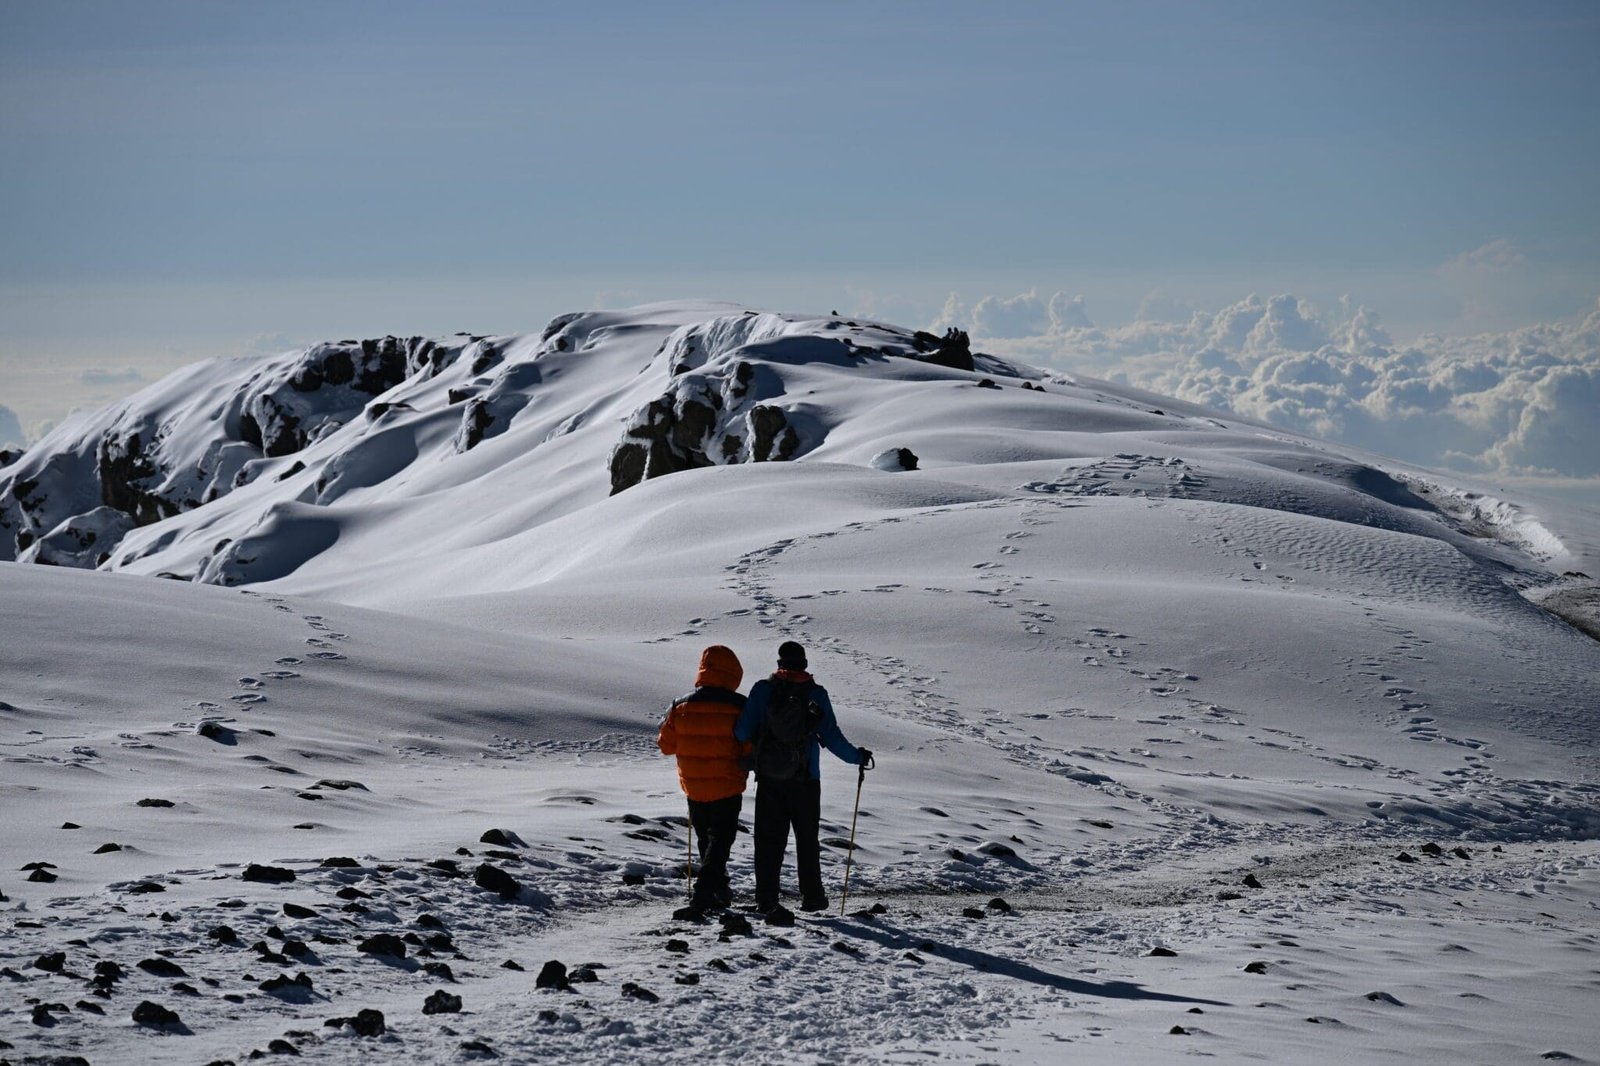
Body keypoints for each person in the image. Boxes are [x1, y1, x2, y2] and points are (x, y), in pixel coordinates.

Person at [735, 640, 872, 924]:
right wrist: (858, 757)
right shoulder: (816, 694)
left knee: (768, 842)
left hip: (770, 778)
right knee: (807, 840)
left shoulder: (763, 690)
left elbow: (742, 731)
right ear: (805, 664)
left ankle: (767, 899)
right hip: (806, 779)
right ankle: (813, 897)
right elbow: (832, 738)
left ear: (779, 663)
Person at [657, 645, 750, 912]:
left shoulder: (680, 705)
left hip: (694, 784)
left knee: (705, 839)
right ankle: (704, 892)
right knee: (721, 841)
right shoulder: (739, 706)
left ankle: (718, 890)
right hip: (727, 783)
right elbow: (749, 745)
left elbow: (666, 746)